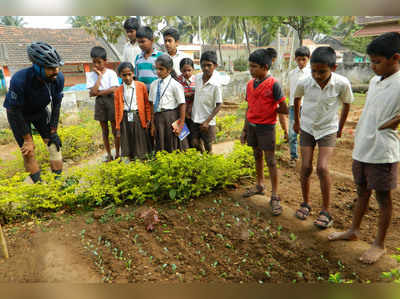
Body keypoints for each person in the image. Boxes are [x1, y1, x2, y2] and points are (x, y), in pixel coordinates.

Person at [328, 32, 400, 264]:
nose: (372, 66)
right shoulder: (374, 81)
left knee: (383, 199)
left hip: (382, 151)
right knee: (360, 193)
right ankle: (353, 230)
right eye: (371, 61)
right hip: (363, 147)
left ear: (395, 58)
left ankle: (379, 244)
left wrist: (393, 122)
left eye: (377, 62)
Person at [293, 46, 353, 228]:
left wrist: (340, 128)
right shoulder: (304, 82)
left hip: (328, 129)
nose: (317, 75)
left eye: (322, 71)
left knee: (322, 168)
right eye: (314, 71)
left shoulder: (342, 84)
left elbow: (347, 104)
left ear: (333, 68)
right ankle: (306, 203)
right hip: (307, 127)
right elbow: (296, 99)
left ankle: (326, 210)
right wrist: (296, 121)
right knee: (305, 167)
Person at [4, 42, 64, 183]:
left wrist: (53, 131)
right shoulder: (19, 79)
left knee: (54, 145)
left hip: (39, 111)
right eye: (50, 68)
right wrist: (27, 139)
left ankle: (58, 185)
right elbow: (15, 110)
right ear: (37, 66)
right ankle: (40, 188)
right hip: (18, 115)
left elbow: (56, 105)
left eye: (57, 66)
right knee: (28, 152)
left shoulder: (58, 78)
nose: (56, 71)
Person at [240, 49, 288, 216]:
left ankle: (275, 195)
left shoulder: (274, 84)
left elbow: (283, 107)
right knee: (257, 155)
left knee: (271, 160)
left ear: (265, 67)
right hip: (252, 126)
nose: (250, 70)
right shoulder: (249, 84)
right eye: (250, 66)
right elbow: (249, 107)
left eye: (254, 67)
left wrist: (271, 113)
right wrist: (244, 130)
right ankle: (260, 185)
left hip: (267, 127)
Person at [86, 46, 120, 162]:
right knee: (104, 131)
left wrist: (99, 92)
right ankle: (109, 154)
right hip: (100, 103)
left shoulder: (111, 73)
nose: (96, 65)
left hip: (111, 101)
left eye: (99, 62)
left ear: (105, 61)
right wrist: (99, 77)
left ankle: (118, 154)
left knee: (116, 130)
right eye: (94, 62)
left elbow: (114, 89)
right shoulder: (92, 75)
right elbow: (92, 93)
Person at [149, 55, 187, 153]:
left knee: (172, 142)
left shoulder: (175, 85)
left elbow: (182, 104)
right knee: (160, 143)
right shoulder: (154, 84)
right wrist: (152, 124)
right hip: (158, 117)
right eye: (156, 69)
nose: (158, 71)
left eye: (161, 69)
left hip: (170, 117)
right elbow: (152, 105)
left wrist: (181, 124)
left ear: (169, 70)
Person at [114, 62, 152, 161]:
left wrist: (148, 119)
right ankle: (132, 163)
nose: (127, 78)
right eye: (124, 75)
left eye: (129, 74)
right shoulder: (118, 91)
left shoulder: (141, 86)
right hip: (125, 119)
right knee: (128, 143)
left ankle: (143, 162)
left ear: (133, 73)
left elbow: (147, 104)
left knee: (140, 142)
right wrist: (118, 127)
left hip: (138, 117)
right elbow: (117, 110)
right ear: (120, 75)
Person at [191, 51, 222, 154]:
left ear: (215, 66)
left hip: (208, 121)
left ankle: (209, 166)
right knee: (195, 143)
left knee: (208, 145)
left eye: (209, 65)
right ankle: (201, 163)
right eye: (203, 65)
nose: (206, 68)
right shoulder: (198, 78)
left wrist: (207, 121)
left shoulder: (216, 84)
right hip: (195, 118)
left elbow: (219, 105)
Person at [287, 46, 311, 167]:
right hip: (293, 107)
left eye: (304, 59)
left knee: (306, 134)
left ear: (308, 59)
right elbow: (290, 90)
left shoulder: (311, 73)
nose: (301, 62)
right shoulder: (292, 74)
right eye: (298, 59)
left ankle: (306, 158)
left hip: (307, 107)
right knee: (292, 133)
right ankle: (293, 156)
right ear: (295, 59)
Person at [134, 26, 164, 91]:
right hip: (142, 93)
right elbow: (136, 77)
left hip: (157, 92)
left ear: (152, 40)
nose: (140, 44)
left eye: (143, 41)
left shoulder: (160, 56)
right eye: (139, 42)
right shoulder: (138, 58)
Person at [177, 58, 196, 148]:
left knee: (194, 135)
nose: (187, 73)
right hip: (181, 112)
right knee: (183, 134)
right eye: (184, 71)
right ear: (180, 70)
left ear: (193, 69)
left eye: (189, 70)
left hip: (193, 112)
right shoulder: (177, 80)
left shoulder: (197, 80)